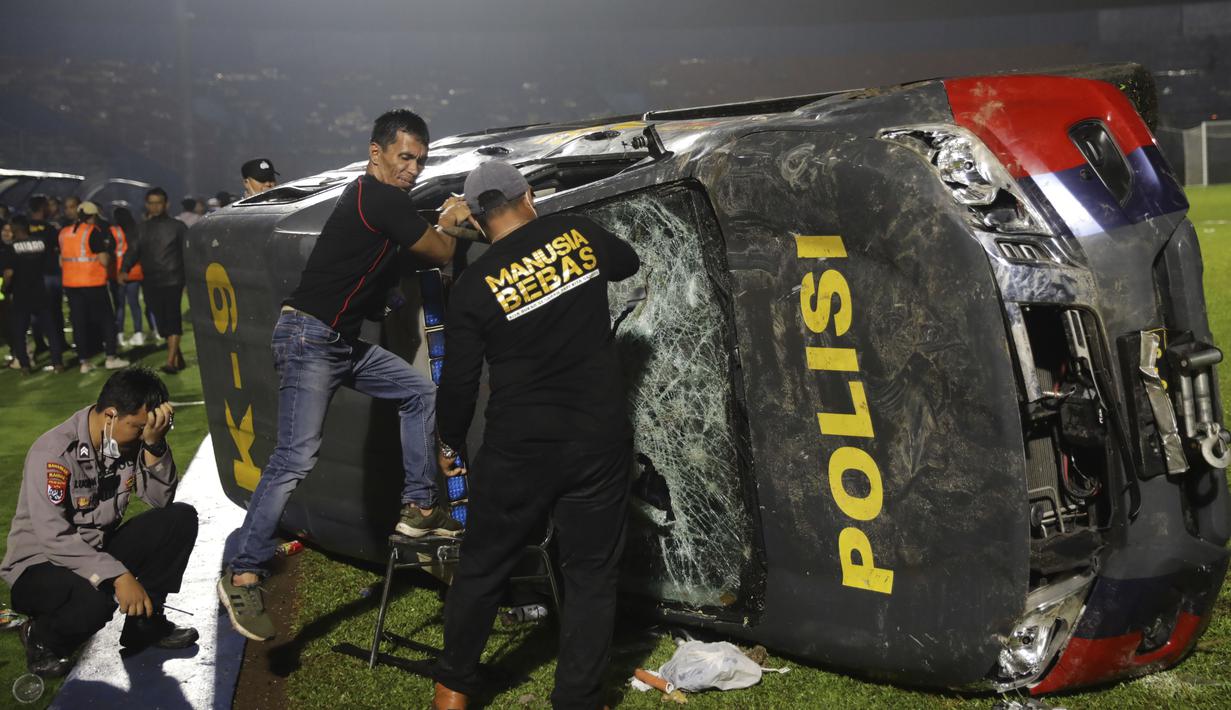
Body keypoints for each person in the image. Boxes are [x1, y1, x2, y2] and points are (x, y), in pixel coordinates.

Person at [217, 109, 470, 642]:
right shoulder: (377, 198)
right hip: (310, 339)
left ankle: (421, 507)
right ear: (375, 153)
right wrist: (447, 223)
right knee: (295, 457)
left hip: (335, 341)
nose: (413, 169)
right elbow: (441, 248)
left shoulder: (377, 206)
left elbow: (378, 280)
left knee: (418, 393)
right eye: (405, 157)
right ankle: (243, 571)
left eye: (420, 160)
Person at [430, 161, 640, 710]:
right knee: (591, 574)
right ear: (529, 196)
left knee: (482, 566)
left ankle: (451, 692)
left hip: (519, 448)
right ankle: (577, 699)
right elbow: (628, 262)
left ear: (476, 221)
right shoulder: (576, 234)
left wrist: (450, 443)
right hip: (597, 439)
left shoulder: (474, 285)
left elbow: (458, 383)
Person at [0, 367, 199, 677]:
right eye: (139, 427)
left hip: (95, 552)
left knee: (179, 519)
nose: (143, 434)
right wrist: (118, 575)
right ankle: (41, 638)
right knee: (98, 597)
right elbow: (55, 539)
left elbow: (160, 501)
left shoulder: (128, 441)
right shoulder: (53, 452)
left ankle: (144, 625)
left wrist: (155, 445)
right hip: (39, 567)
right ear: (110, 415)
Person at [120, 188, 186, 373]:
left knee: (172, 319)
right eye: (151, 203)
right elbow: (132, 251)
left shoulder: (178, 227)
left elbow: (188, 253)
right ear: (147, 205)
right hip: (150, 281)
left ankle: (171, 362)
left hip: (173, 280)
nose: (155, 206)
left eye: (159, 202)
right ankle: (176, 354)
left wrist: (189, 279)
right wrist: (124, 269)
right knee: (162, 323)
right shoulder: (141, 229)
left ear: (166, 204)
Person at [59, 201, 128, 373]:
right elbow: (104, 260)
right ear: (94, 215)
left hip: (71, 285)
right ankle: (111, 357)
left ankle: (84, 361)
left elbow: (61, 261)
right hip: (93, 283)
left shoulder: (64, 233)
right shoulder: (92, 232)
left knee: (79, 323)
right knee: (106, 320)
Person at [1, 216, 66, 372]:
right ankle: (58, 363)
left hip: (21, 294)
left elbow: (9, 273)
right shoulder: (40, 243)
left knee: (20, 332)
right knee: (50, 330)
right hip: (40, 291)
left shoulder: (12, 248)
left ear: (16, 229)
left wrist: (5, 289)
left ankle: (24, 365)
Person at [30, 195, 69, 355]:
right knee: (54, 311)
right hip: (50, 274)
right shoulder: (49, 228)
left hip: (32, 276)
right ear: (42, 208)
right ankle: (59, 343)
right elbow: (59, 247)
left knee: (36, 312)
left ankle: (40, 343)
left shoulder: (24, 228)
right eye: (47, 206)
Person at [110, 207, 148, 347]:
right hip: (135, 270)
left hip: (118, 272)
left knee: (119, 306)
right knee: (135, 305)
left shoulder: (113, 231)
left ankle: (119, 336)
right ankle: (138, 333)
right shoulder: (136, 229)